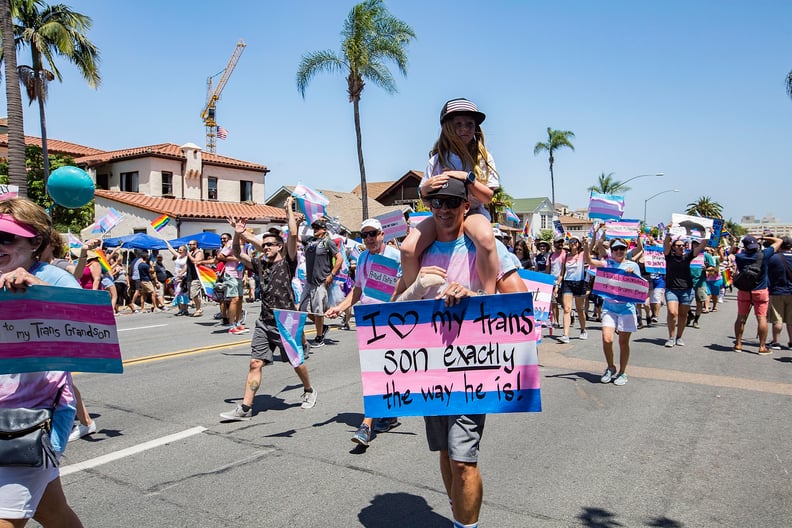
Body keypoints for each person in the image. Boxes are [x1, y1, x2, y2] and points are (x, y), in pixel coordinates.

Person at [405, 177, 526, 528]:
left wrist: (476, 299)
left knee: (463, 460)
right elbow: (394, 308)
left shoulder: (487, 249)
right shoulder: (420, 250)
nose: (443, 210)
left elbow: (521, 310)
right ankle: (460, 513)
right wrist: (417, 285)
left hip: (472, 369)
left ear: (466, 207)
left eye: (451, 204)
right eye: (436, 204)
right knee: (445, 454)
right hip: (429, 369)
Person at [0, 198, 84, 526]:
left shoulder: (54, 278)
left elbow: (93, 333)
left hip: (29, 420)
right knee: (53, 512)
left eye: (8, 238)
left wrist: (40, 291)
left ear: (35, 242)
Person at [219, 197, 317, 421]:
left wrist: (288, 210)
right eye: (264, 245)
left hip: (286, 319)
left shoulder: (288, 262)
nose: (265, 247)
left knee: (295, 361)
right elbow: (236, 250)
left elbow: (293, 235)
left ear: (279, 246)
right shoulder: (260, 265)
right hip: (264, 321)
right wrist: (238, 232)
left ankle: (309, 389)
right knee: (255, 362)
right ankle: (245, 408)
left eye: (270, 244)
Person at [400, 98, 500, 296]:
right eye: (458, 124)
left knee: (486, 238)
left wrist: (467, 178)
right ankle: (416, 298)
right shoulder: (436, 160)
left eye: (469, 124)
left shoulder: (484, 158)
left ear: (476, 128)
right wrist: (426, 187)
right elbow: (425, 196)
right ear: (447, 127)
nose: (464, 129)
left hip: (472, 212)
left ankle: (487, 296)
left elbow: (488, 197)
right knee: (407, 249)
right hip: (443, 213)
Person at [325, 218, 401, 447]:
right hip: (368, 321)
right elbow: (358, 290)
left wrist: (393, 303)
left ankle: (366, 425)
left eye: (373, 233)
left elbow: (406, 284)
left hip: (389, 321)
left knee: (375, 372)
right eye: (364, 234)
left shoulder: (395, 256)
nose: (368, 238)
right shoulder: (363, 257)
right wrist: (339, 307)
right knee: (379, 371)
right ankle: (389, 413)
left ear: (382, 234)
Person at [584, 236, 641, 386]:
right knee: (607, 339)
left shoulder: (633, 265)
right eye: (615, 249)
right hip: (609, 307)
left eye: (622, 248)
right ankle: (610, 367)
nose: (619, 251)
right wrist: (585, 246)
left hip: (627, 308)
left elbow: (641, 288)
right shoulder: (607, 263)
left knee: (623, 342)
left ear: (626, 250)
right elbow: (589, 261)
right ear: (612, 251)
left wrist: (632, 276)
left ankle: (622, 372)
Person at [733, 234, 782, 354]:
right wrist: (763, 237)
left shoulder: (739, 257)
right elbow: (779, 241)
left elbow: (734, 250)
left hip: (744, 290)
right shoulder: (764, 255)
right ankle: (762, 347)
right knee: (761, 318)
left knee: (741, 317)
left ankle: (738, 344)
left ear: (744, 246)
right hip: (760, 290)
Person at [299, 219, 341, 348]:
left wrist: (332, 274)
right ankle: (322, 327)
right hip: (309, 281)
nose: (315, 229)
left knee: (318, 311)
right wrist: (295, 222)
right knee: (302, 309)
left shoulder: (328, 242)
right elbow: (294, 236)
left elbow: (339, 259)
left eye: (318, 227)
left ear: (324, 229)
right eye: (314, 227)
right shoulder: (310, 240)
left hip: (321, 281)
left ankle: (319, 337)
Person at [663, 233, 704, 347]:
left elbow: (701, 246)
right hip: (672, 289)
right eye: (678, 245)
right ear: (673, 247)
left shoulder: (688, 256)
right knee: (672, 312)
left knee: (682, 315)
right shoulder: (669, 256)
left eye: (683, 245)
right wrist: (668, 232)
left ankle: (679, 337)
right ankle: (671, 337)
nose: (681, 247)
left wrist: (708, 233)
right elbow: (666, 243)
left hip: (687, 290)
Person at [217, 232, 248, 334]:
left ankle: (238, 323)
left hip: (239, 274)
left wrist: (245, 275)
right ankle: (231, 325)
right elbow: (220, 256)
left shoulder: (244, 246)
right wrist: (236, 258)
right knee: (234, 299)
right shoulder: (232, 243)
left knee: (240, 299)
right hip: (230, 274)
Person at [558, 236, 588, 342]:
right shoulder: (565, 256)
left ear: (579, 244)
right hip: (567, 283)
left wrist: (589, 240)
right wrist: (557, 285)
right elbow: (562, 273)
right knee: (567, 309)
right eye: (571, 242)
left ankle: (583, 329)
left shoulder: (582, 254)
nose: (573, 243)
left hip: (579, 283)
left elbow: (590, 247)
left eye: (575, 241)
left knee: (580, 309)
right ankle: (565, 335)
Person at [767, 236, 792, 350]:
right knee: (791, 320)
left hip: (777, 290)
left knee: (777, 318)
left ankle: (776, 341)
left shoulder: (774, 258)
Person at [184, 240, 205, 317]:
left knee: (194, 294)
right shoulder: (191, 253)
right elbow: (187, 265)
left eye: (191, 244)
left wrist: (189, 254)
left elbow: (195, 261)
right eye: (188, 244)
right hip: (190, 276)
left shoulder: (198, 253)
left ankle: (199, 309)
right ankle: (198, 308)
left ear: (195, 245)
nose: (189, 246)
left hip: (196, 276)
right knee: (192, 295)